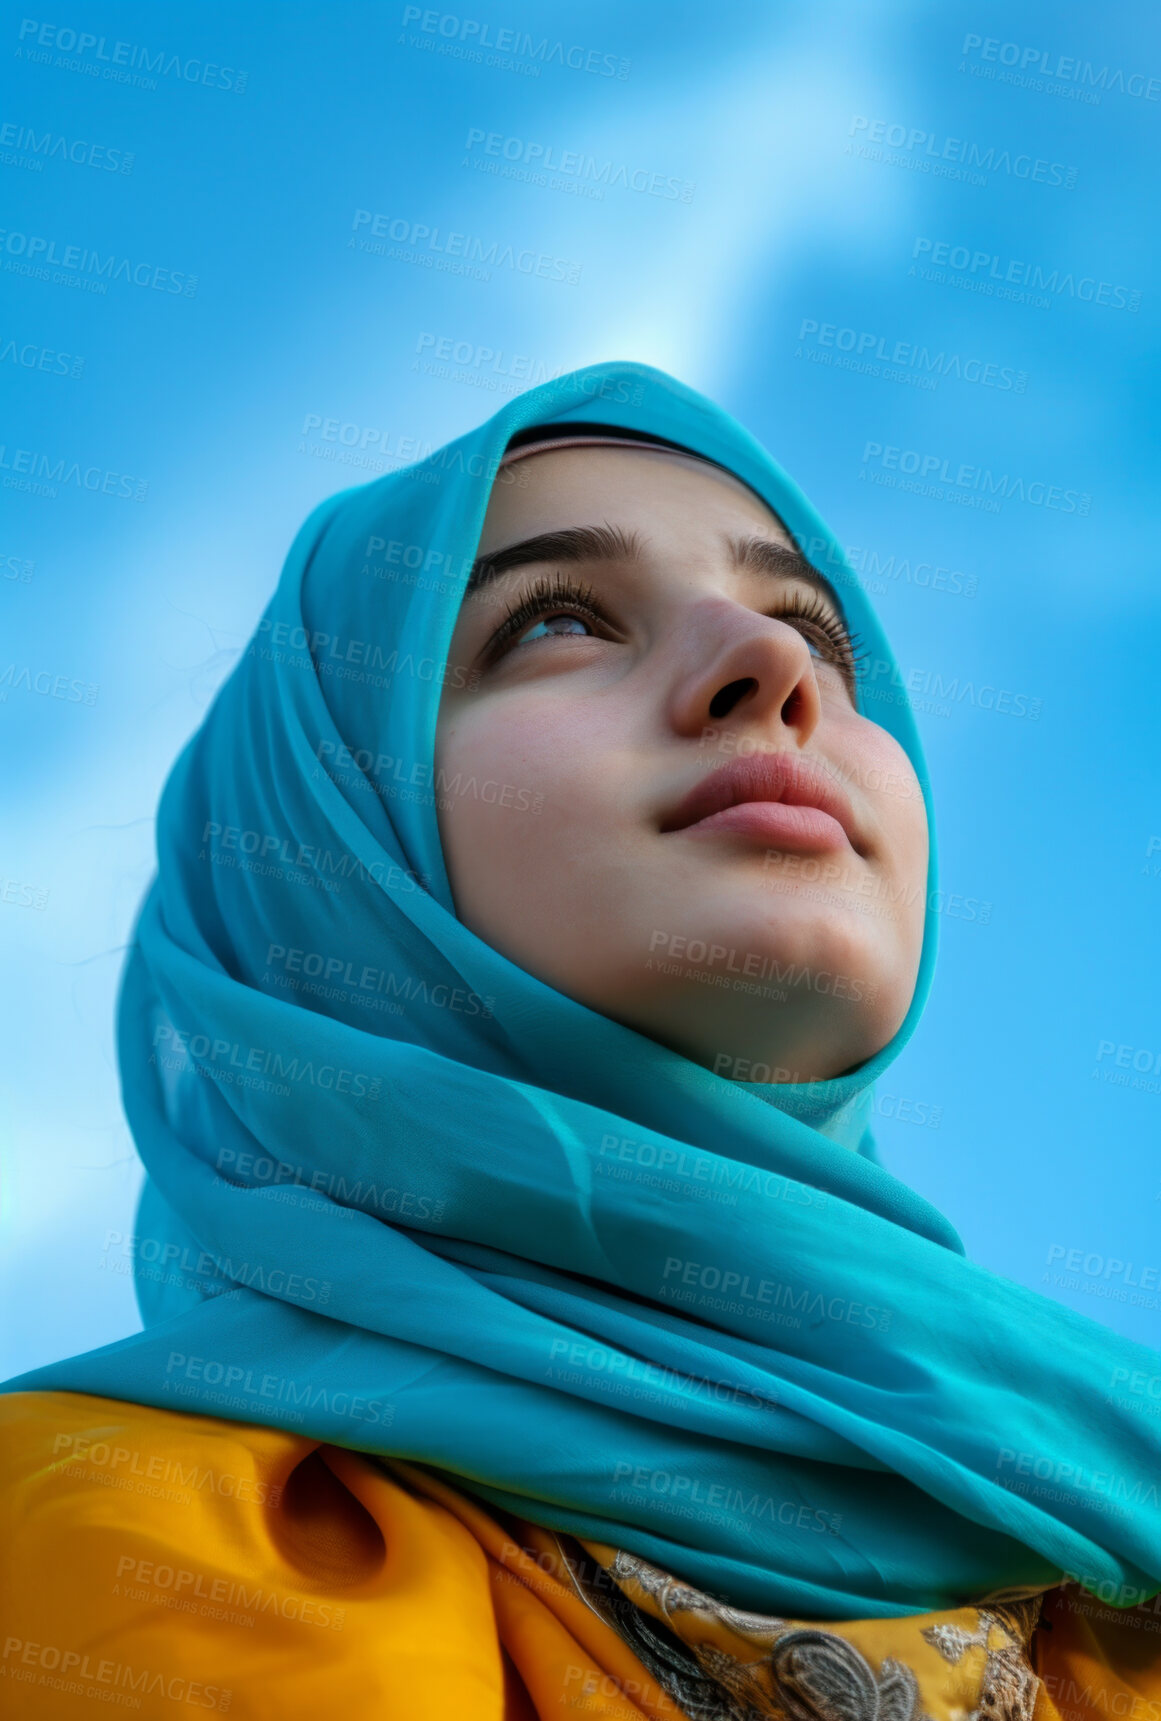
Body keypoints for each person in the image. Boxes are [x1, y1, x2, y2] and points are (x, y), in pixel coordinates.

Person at [1, 363, 1158, 1719]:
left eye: (813, 628)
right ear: (325, 851)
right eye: (555, 619)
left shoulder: (1106, 1544)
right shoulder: (90, 1550)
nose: (772, 664)